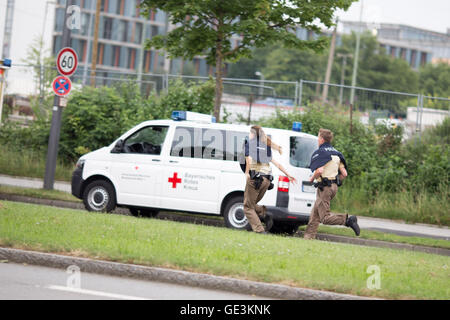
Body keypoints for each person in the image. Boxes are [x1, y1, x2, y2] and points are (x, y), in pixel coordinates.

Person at [304, 128, 360, 240]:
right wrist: (334, 182)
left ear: (322, 139)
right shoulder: (336, 154)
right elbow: (344, 174)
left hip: (324, 188)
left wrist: (312, 179)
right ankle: (308, 238)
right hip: (333, 187)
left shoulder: (321, 153)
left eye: (318, 137)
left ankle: (347, 220)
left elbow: (319, 170)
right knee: (315, 215)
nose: (318, 139)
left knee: (324, 218)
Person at [243, 125, 297, 234]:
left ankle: (259, 230)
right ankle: (265, 214)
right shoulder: (265, 146)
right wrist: (288, 175)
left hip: (255, 179)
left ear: (253, 134)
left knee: (247, 207)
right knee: (251, 204)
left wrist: (247, 172)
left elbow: (248, 159)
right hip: (266, 180)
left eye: (250, 132)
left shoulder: (249, 144)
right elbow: (276, 163)